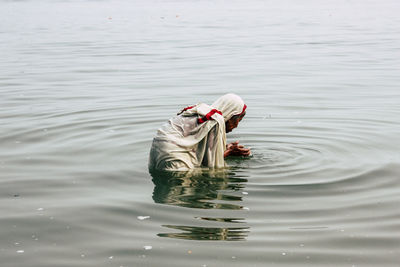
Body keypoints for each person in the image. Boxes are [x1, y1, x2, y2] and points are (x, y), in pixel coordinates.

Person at [149, 93, 251, 171]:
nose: (236, 126)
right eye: (238, 121)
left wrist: (224, 148)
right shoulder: (215, 120)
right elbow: (212, 164)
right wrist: (228, 153)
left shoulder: (200, 111)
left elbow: (194, 146)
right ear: (230, 115)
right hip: (177, 164)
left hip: (157, 152)